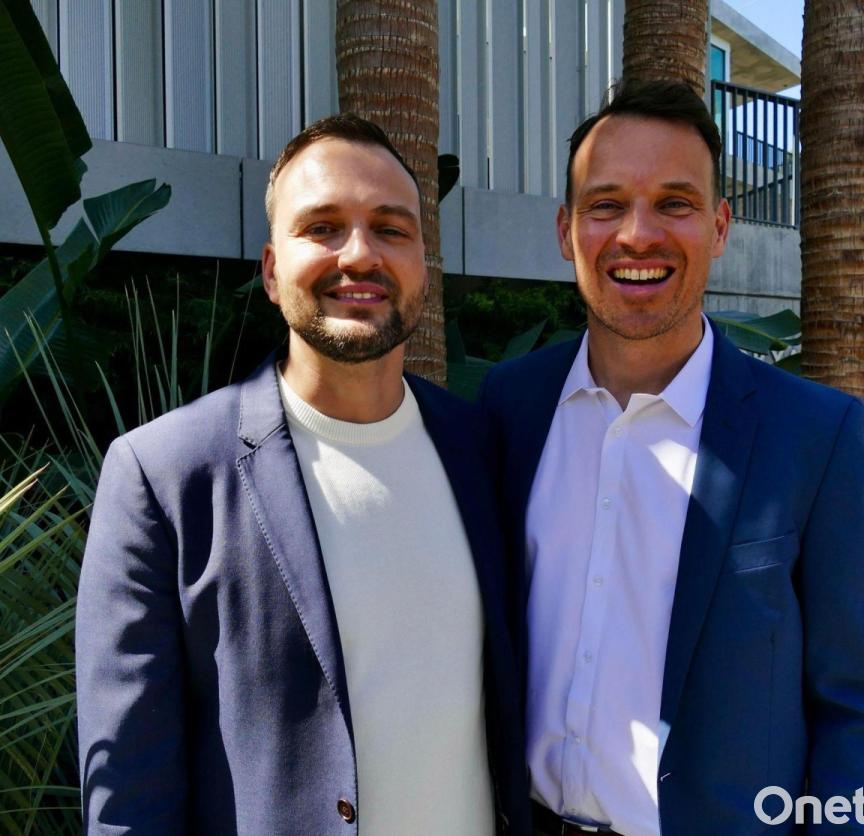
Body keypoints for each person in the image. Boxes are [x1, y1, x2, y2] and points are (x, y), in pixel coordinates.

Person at [77, 114, 530, 835]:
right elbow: (129, 797)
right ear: (270, 269)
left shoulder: (482, 447)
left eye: (391, 228)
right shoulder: (164, 476)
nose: (360, 254)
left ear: (423, 264)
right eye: (322, 227)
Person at [480, 80, 864, 835]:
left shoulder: (816, 435)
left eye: (674, 203)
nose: (637, 234)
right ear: (566, 230)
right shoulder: (508, 407)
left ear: (719, 227)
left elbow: (858, 709)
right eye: (606, 204)